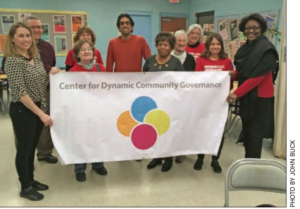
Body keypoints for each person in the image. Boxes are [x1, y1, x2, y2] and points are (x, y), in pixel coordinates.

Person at [4, 22, 60, 201]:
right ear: (13, 39)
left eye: (27, 36)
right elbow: (21, 94)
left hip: (37, 108)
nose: (26, 39)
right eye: (21, 36)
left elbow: (41, 83)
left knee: (32, 147)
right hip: (23, 110)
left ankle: (31, 179)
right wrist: (41, 113)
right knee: (24, 149)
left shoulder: (34, 57)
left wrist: (53, 76)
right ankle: (25, 186)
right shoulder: (12, 61)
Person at [226, 13, 279, 158]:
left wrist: (237, 93)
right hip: (247, 97)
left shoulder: (266, 49)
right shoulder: (245, 48)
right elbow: (243, 71)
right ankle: (248, 161)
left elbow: (257, 77)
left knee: (255, 135)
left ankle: (253, 167)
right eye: (248, 28)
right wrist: (233, 75)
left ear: (261, 28)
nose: (251, 31)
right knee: (248, 132)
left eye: (255, 28)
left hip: (259, 99)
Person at [194, 33, 235, 173]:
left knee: (218, 130)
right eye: (212, 44)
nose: (215, 46)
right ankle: (200, 157)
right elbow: (198, 79)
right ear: (208, 46)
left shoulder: (226, 61)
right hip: (204, 101)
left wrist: (231, 74)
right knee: (203, 129)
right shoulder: (201, 60)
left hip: (221, 102)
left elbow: (231, 80)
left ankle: (215, 159)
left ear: (221, 46)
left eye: (218, 44)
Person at [143, 32, 184, 172]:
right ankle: (157, 157)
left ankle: (168, 158)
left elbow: (182, 83)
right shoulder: (149, 61)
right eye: (160, 44)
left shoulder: (176, 63)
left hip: (170, 104)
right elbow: (143, 79)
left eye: (166, 45)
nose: (162, 47)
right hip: (153, 103)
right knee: (155, 130)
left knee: (168, 131)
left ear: (171, 47)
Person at [69, 39, 107, 182]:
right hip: (80, 112)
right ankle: (80, 168)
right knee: (81, 139)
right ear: (77, 54)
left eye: (89, 49)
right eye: (83, 49)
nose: (86, 51)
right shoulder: (72, 71)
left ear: (93, 52)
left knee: (97, 138)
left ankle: (98, 165)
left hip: (97, 111)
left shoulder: (100, 68)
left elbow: (107, 88)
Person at [171, 29, 196, 164]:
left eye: (183, 41)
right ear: (174, 42)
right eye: (178, 40)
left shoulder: (191, 59)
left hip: (185, 98)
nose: (181, 43)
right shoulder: (167, 56)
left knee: (183, 125)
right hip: (170, 98)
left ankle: (181, 151)